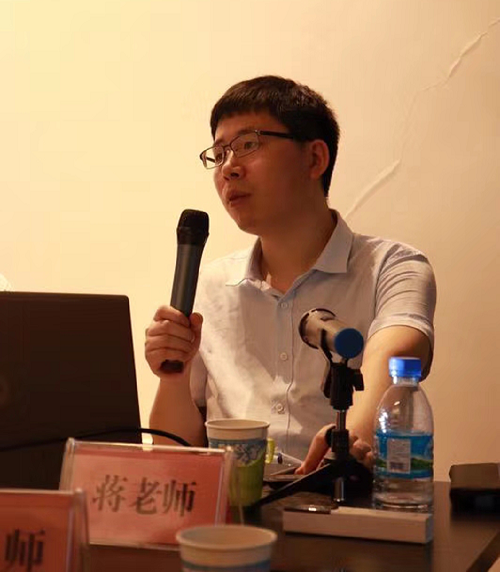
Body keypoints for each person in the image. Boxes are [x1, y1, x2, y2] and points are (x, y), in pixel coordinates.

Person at [146, 75, 436, 474]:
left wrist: (343, 442)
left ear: (314, 159)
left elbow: (392, 364)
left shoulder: (392, 267)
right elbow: (173, 457)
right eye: (219, 153)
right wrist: (172, 377)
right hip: (236, 507)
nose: (228, 168)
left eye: (248, 144)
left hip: (344, 499)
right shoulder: (209, 287)